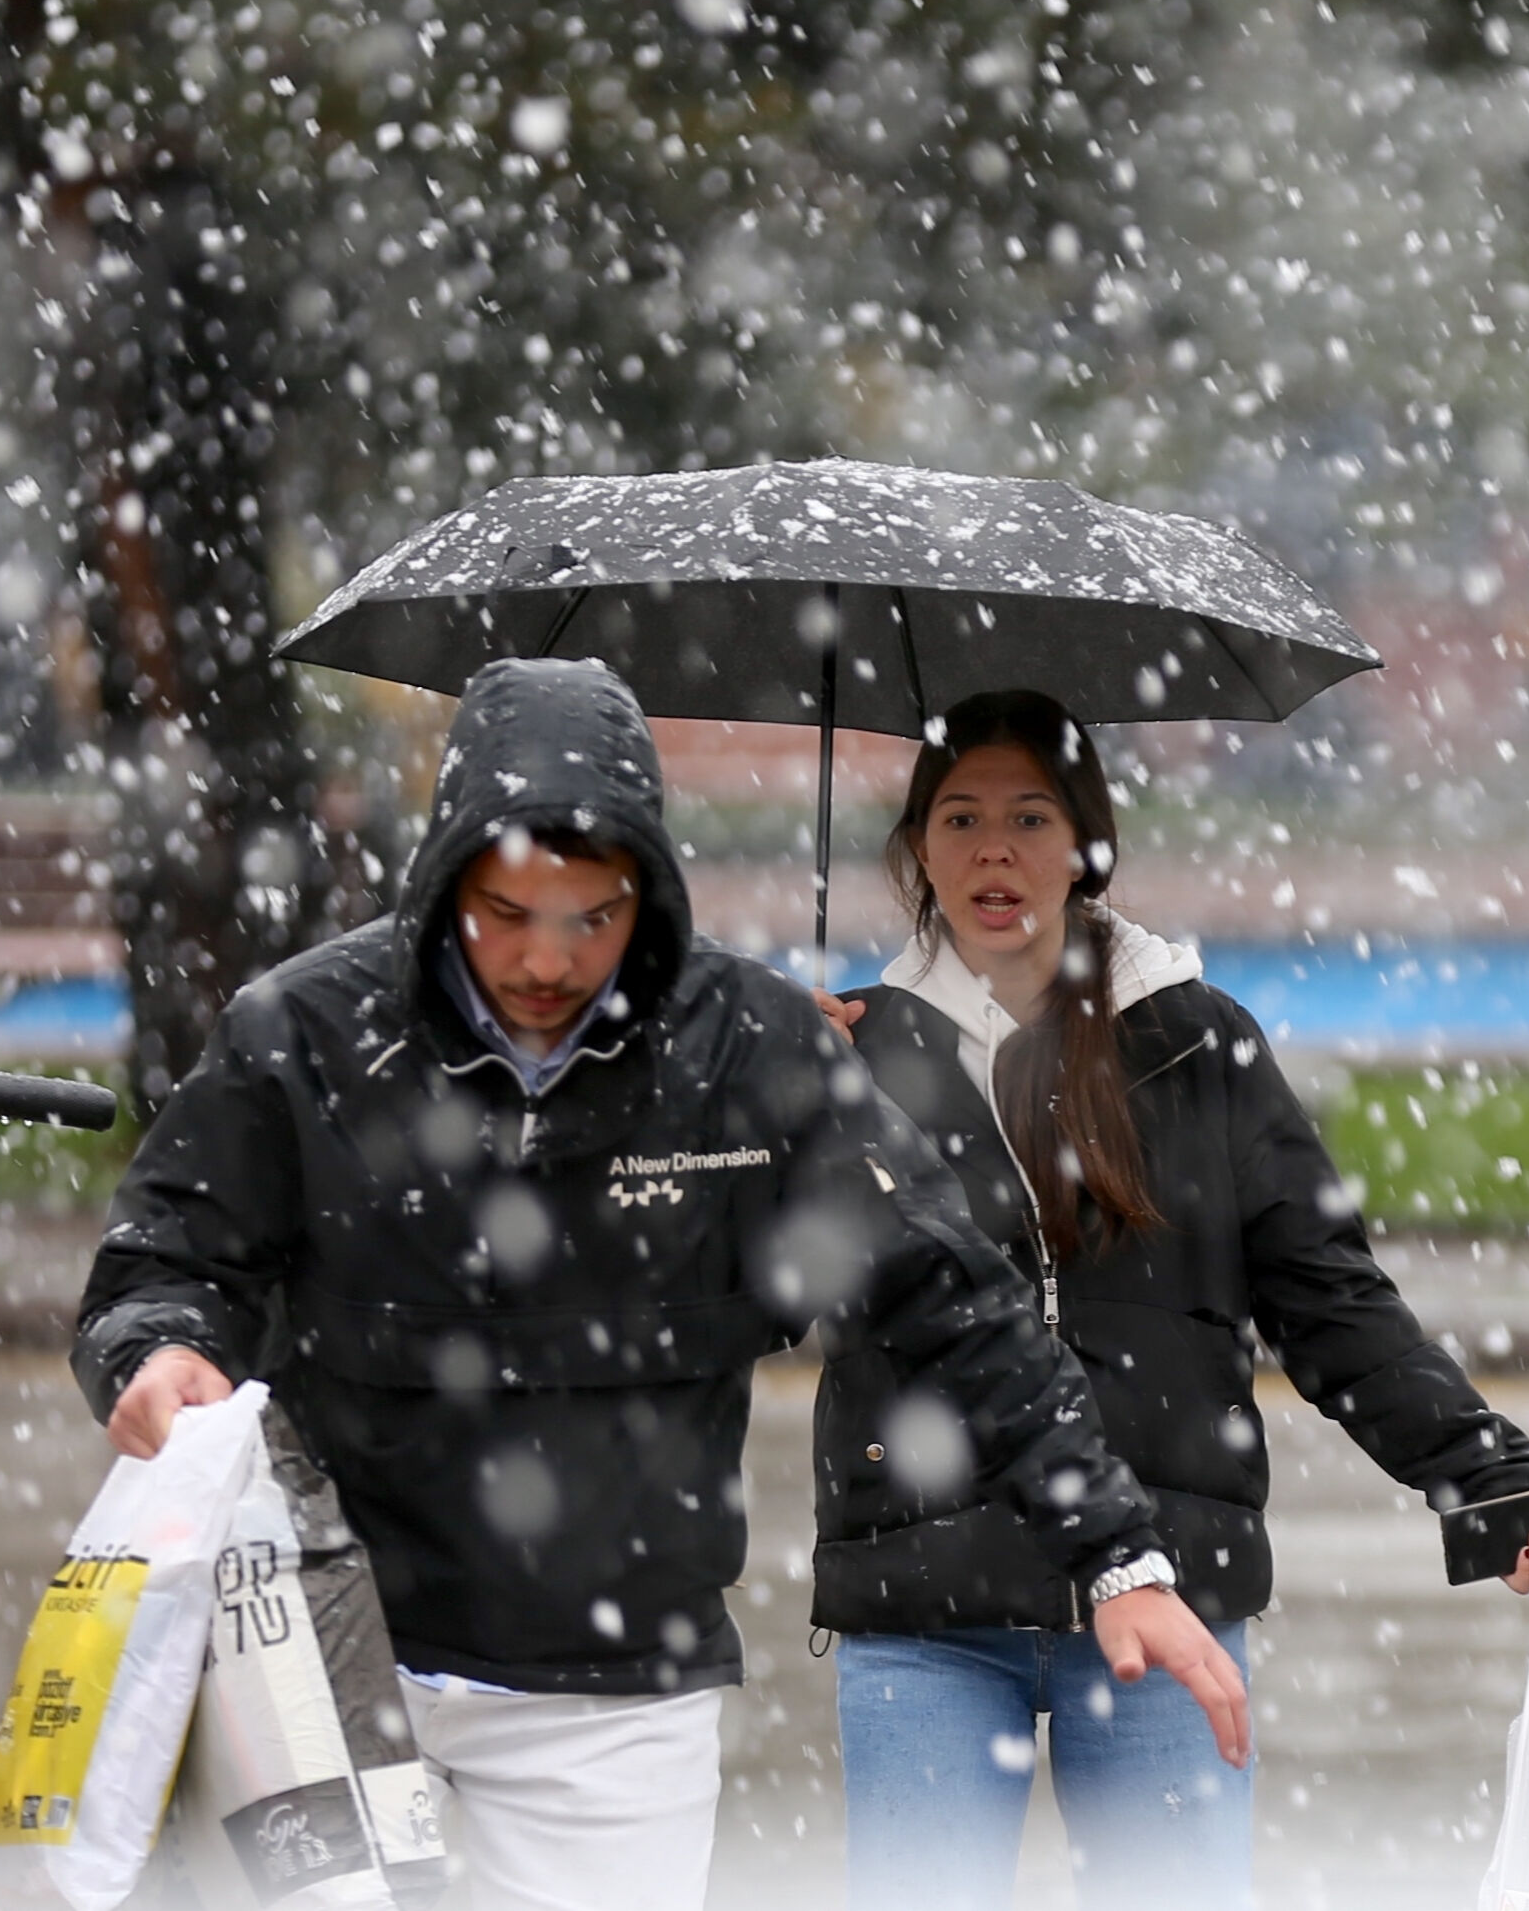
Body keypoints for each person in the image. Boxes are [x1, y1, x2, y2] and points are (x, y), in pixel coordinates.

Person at [74, 658, 1246, 1911]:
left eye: (592, 916)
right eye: (507, 912)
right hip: (322, 1646)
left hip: (619, 1679)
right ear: (442, 887)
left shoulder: (750, 1045)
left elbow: (960, 1305)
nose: (546, 958)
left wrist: (1122, 1557)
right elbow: (162, 1263)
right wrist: (154, 1351)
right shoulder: (302, 1034)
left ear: (650, 892)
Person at [814, 689, 1529, 1911]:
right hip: (926, 1601)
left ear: (1087, 847)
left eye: (1030, 816)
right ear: (918, 851)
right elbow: (741, 1295)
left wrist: (1495, 1481)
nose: (993, 851)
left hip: (1166, 1591)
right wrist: (757, 1108)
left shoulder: (1193, 1044)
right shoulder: (845, 1052)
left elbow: (1332, 1303)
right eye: (958, 819)